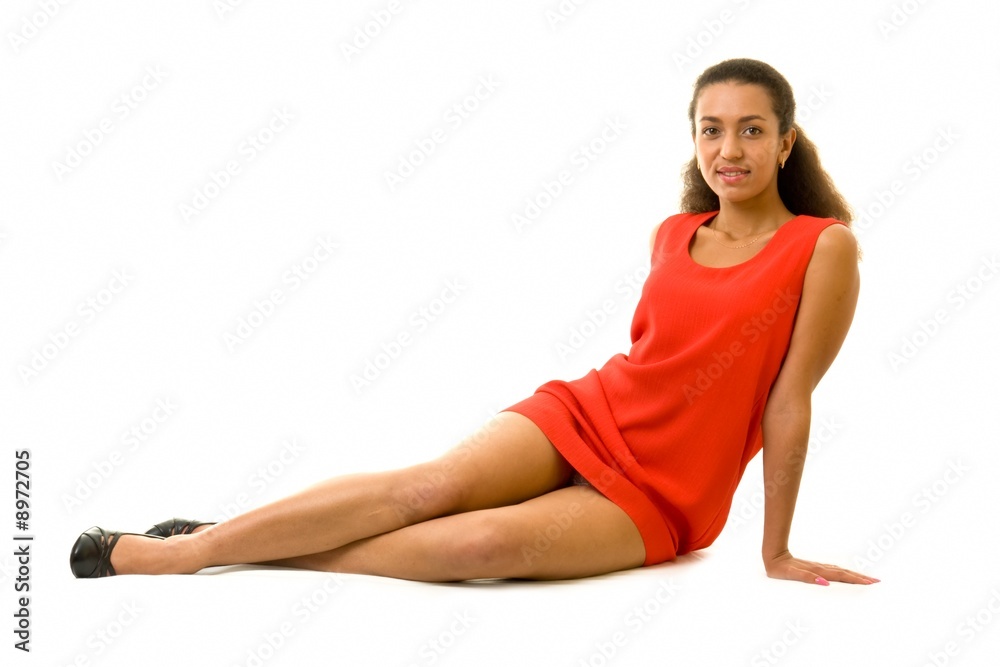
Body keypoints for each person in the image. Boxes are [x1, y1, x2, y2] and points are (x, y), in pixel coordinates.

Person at [70, 57, 879, 587]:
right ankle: (191, 550)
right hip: (590, 411)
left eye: (751, 129)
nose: (729, 148)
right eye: (712, 128)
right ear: (694, 138)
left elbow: (788, 399)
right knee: (428, 488)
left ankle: (246, 539)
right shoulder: (673, 233)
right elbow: (655, 356)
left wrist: (775, 549)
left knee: (482, 546)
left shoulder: (823, 247)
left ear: (785, 143)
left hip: (668, 492)